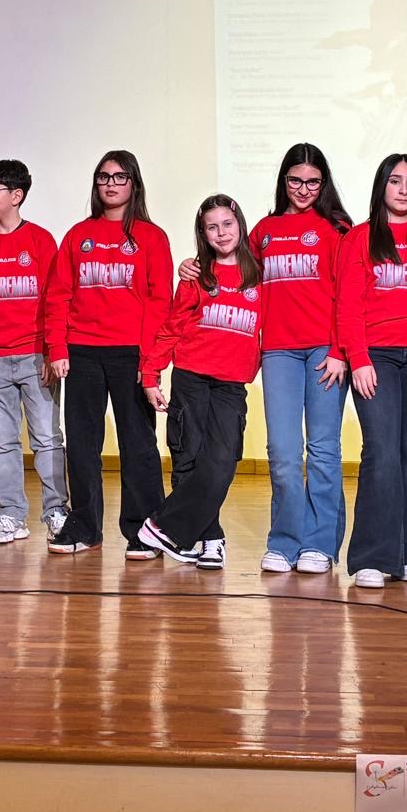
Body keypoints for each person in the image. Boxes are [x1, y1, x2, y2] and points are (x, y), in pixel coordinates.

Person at [187, 144, 351, 574]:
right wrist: (192, 266)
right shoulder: (264, 230)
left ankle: (320, 544)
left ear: (323, 184)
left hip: (326, 351)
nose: (304, 189)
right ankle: (284, 541)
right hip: (278, 351)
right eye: (295, 180)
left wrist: (340, 351)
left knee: (323, 450)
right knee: (282, 451)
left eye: (313, 182)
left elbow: (348, 294)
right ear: (284, 181)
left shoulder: (336, 230)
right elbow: (230, 269)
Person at [44, 150, 173, 557]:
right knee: (82, 445)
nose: (111, 184)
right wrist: (57, 346)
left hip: (130, 354)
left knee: (138, 445)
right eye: (104, 177)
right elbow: (58, 295)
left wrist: (149, 362)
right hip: (82, 352)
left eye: (120, 177)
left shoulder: (151, 237)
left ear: (134, 183)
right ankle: (85, 528)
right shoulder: (78, 235)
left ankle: (143, 530)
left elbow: (159, 302)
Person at [137, 195, 265, 571]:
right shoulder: (196, 277)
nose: (221, 233)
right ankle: (210, 539)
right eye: (212, 227)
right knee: (188, 459)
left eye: (227, 224)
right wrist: (151, 374)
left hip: (231, 383)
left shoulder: (260, 275)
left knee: (222, 461)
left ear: (240, 225)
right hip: (191, 376)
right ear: (203, 233)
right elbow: (172, 327)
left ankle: (162, 526)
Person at [336, 153, 407, 590]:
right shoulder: (360, 238)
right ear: (381, 186)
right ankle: (371, 556)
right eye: (395, 181)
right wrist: (358, 357)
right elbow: (348, 304)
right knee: (381, 452)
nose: (403, 189)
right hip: (376, 356)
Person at [0, 159, 68, 545]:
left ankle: (56, 511)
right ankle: (11, 514)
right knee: (2, 443)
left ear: (17, 195)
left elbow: (56, 300)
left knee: (47, 438)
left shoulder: (41, 241)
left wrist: (53, 351)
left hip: (36, 357)